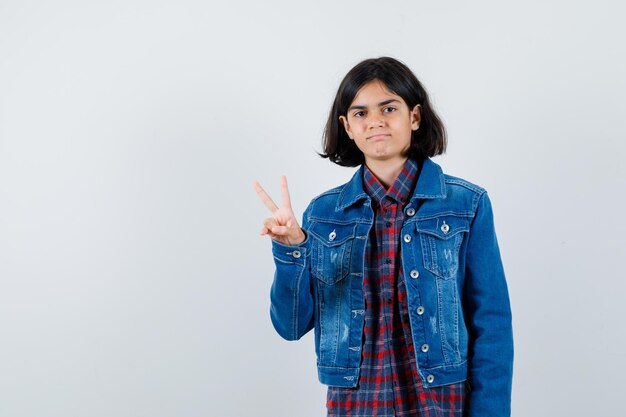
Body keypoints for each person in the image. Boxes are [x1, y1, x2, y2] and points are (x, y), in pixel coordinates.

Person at [254, 57, 513, 417]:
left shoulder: (466, 204)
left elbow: (492, 322)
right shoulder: (323, 214)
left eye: (388, 108)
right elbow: (291, 325)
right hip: (356, 405)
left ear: (415, 117)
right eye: (360, 113)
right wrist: (291, 250)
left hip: (441, 403)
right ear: (346, 126)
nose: (375, 121)